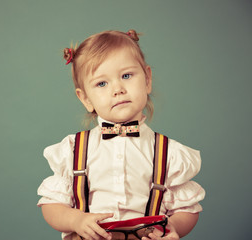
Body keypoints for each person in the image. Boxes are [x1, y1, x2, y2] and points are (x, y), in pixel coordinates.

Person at [37, 29, 205, 240]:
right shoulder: (73, 150)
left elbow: (187, 208)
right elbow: (51, 205)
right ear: (85, 99)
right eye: (102, 83)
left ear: (147, 80)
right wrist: (75, 220)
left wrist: (173, 227)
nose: (117, 89)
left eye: (126, 76)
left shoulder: (168, 153)